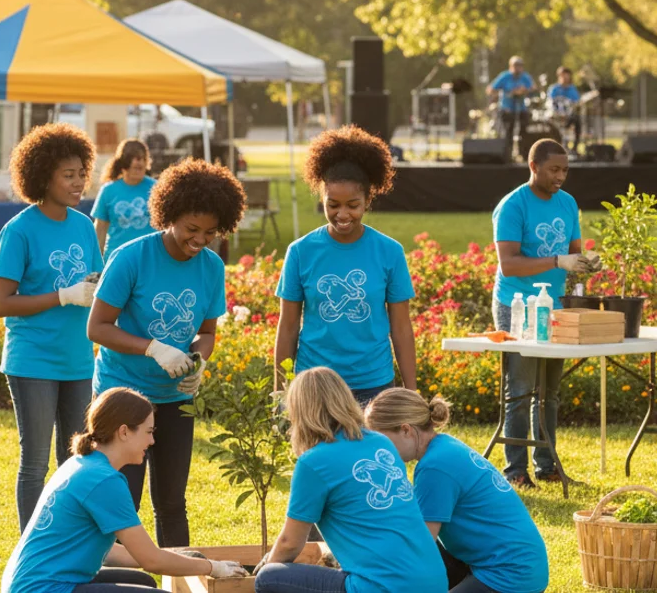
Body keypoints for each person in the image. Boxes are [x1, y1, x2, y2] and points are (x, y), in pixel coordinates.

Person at [87, 158, 246, 548]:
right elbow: (97, 327)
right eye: (192, 229)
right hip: (123, 396)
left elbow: (206, 332)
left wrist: (198, 359)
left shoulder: (211, 266)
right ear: (169, 215)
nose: (200, 239)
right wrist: (154, 348)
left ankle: (178, 583)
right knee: (122, 503)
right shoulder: (131, 257)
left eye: (210, 232)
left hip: (175, 397)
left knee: (172, 502)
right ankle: (119, 583)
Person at [2, 388, 247, 592]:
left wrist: (178, 557)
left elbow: (112, 552)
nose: (152, 442)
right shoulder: (104, 480)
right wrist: (214, 568)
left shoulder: (82, 463)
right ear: (124, 432)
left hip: (26, 583)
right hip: (44, 588)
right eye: (149, 432)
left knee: (143, 582)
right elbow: (150, 560)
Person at [0, 123, 104, 532]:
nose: (78, 183)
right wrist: (62, 296)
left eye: (81, 173)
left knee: (76, 460)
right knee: (36, 462)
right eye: (67, 175)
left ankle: (66, 539)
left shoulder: (83, 225)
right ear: (42, 176)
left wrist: (94, 291)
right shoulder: (19, 230)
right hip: (33, 360)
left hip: (77, 359)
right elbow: (2, 304)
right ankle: (31, 547)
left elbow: (94, 283)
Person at [253, 367, 447, 593]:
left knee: (269, 578)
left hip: (383, 587)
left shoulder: (314, 462)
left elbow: (289, 544)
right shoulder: (381, 442)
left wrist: (267, 565)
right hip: (434, 582)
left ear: (300, 413)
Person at [274, 126, 417, 406]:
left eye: (353, 205)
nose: (342, 214)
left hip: (373, 385)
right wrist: (281, 391)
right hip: (315, 383)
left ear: (368, 200)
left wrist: (411, 392)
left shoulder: (389, 252)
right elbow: (288, 326)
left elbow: (401, 327)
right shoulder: (300, 252)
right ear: (322, 200)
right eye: (333, 205)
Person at [365, 388, 550, 593]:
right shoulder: (444, 446)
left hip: (510, 575)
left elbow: (420, 547)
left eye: (382, 440)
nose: (380, 451)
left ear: (406, 430)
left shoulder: (434, 467)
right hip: (518, 565)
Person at [492, 139, 599, 488]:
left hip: (554, 305)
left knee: (549, 392)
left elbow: (573, 253)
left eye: (565, 170)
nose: (561, 177)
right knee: (521, 389)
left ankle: (547, 465)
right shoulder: (512, 206)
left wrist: (585, 264)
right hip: (517, 306)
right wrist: (557, 261)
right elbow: (507, 265)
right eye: (554, 169)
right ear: (533, 166)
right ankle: (516, 471)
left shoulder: (568, 204)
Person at [92, 140, 156, 257]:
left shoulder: (156, 188)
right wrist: (97, 263)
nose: (140, 162)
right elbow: (100, 229)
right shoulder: (108, 190)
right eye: (135, 159)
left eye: (143, 159)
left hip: (150, 258)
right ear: (123, 163)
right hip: (117, 258)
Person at [487, 56, 537, 157]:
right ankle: (507, 155)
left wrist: (524, 90)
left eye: (519, 66)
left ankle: (524, 153)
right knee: (508, 133)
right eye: (515, 66)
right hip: (507, 109)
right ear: (510, 66)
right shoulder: (504, 76)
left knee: (524, 131)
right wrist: (508, 93)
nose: (517, 68)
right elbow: (490, 89)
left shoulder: (525, 77)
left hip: (521, 108)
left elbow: (533, 88)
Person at [547, 66, 582, 153]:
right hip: (555, 116)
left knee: (577, 120)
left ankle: (574, 148)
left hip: (569, 116)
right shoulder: (553, 89)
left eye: (567, 76)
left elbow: (576, 103)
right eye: (563, 76)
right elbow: (550, 103)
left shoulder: (572, 89)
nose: (565, 78)